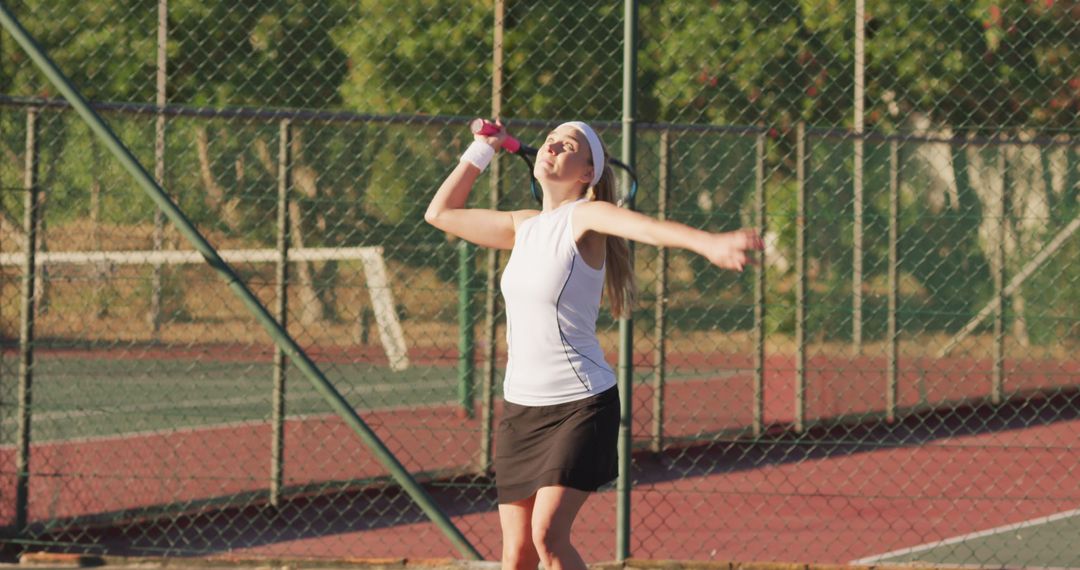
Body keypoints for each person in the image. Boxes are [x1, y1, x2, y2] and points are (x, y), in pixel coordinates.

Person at [425, 120, 762, 570]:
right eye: (551, 139)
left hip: (580, 405)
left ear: (586, 173)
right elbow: (441, 213)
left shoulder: (585, 215)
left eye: (570, 145)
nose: (554, 145)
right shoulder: (521, 227)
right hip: (522, 410)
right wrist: (481, 149)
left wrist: (708, 244)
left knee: (548, 536)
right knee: (517, 555)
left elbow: (647, 228)